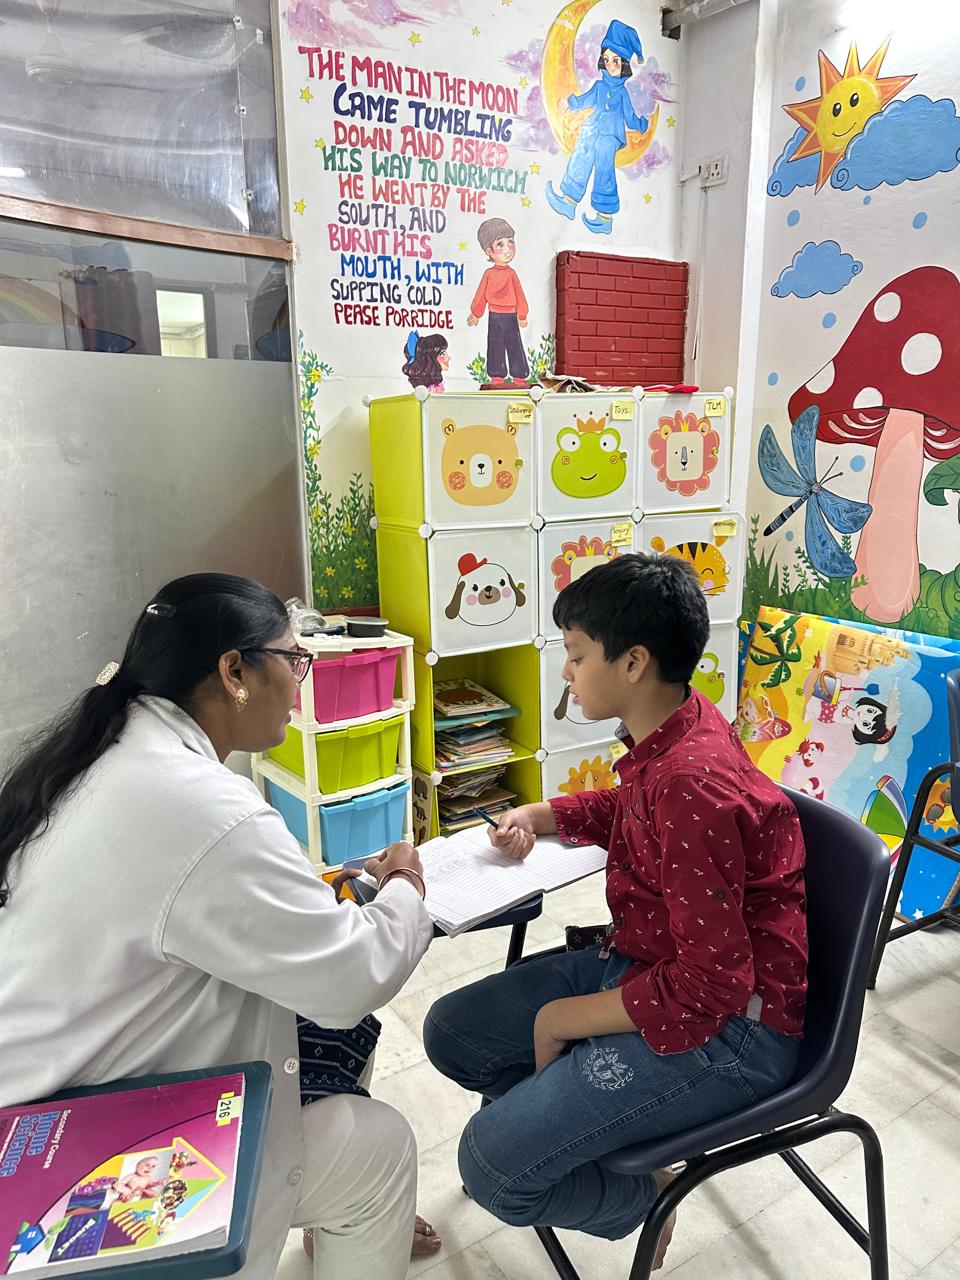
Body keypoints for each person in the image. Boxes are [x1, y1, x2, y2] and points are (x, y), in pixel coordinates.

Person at [0, 573, 438, 1280]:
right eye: (294, 661)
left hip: (39, 1095)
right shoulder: (207, 809)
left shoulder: (111, 748)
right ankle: (347, 1221)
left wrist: (323, 893)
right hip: (68, 1163)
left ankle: (331, 1222)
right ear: (235, 672)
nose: (299, 686)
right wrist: (406, 884)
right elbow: (354, 976)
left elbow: (196, 903)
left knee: (331, 1045)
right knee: (378, 1150)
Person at [424, 553, 808, 1268]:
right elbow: (632, 806)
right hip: (651, 961)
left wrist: (562, 1021)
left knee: (490, 1167)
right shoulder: (677, 724)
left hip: (733, 1032)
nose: (567, 674)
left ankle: (645, 1196)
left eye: (576, 655)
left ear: (633, 662)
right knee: (453, 1032)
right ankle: (561, 1127)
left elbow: (713, 986)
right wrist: (541, 815)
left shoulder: (693, 783)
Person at [545, 20, 649, 235]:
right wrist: (570, 103)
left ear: (624, 65)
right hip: (592, 129)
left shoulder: (622, 93)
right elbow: (586, 99)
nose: (610, 65)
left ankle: (604, 217)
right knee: (580, 156)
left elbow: (629, 117)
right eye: (607, 59)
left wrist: (641, 124)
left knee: (604, 169)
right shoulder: (599, 86)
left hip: (610, 136)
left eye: (616, 61)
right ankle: (569, 201)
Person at [467, 217, 529, 387]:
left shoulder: (511, 274)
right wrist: (476, 312)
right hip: (494, 316)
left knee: (514, 345)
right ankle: (497, 378)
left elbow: (520, 295)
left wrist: (522, 315)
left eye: (511, 242)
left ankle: (519, 377)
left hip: (511, 316)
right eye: (500, 244)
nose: (508, 248)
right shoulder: (488, 274)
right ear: (489, 251)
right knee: (495, 346)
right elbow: (481, 295)